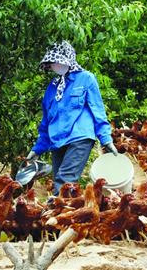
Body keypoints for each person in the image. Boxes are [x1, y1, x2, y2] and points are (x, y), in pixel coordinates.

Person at [27, 41, 117, 196]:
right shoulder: (52, 87)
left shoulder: (86, 79)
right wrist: (37, 149)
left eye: (58, 61)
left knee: (64, 181)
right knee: (59, 183)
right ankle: (65, 215)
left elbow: (98, 110)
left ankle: (53, 215)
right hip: (57, 140)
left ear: (68, 59)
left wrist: (106, 139)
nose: (55, 65)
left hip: (80, 137)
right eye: (53, 62)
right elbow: (46, 121)